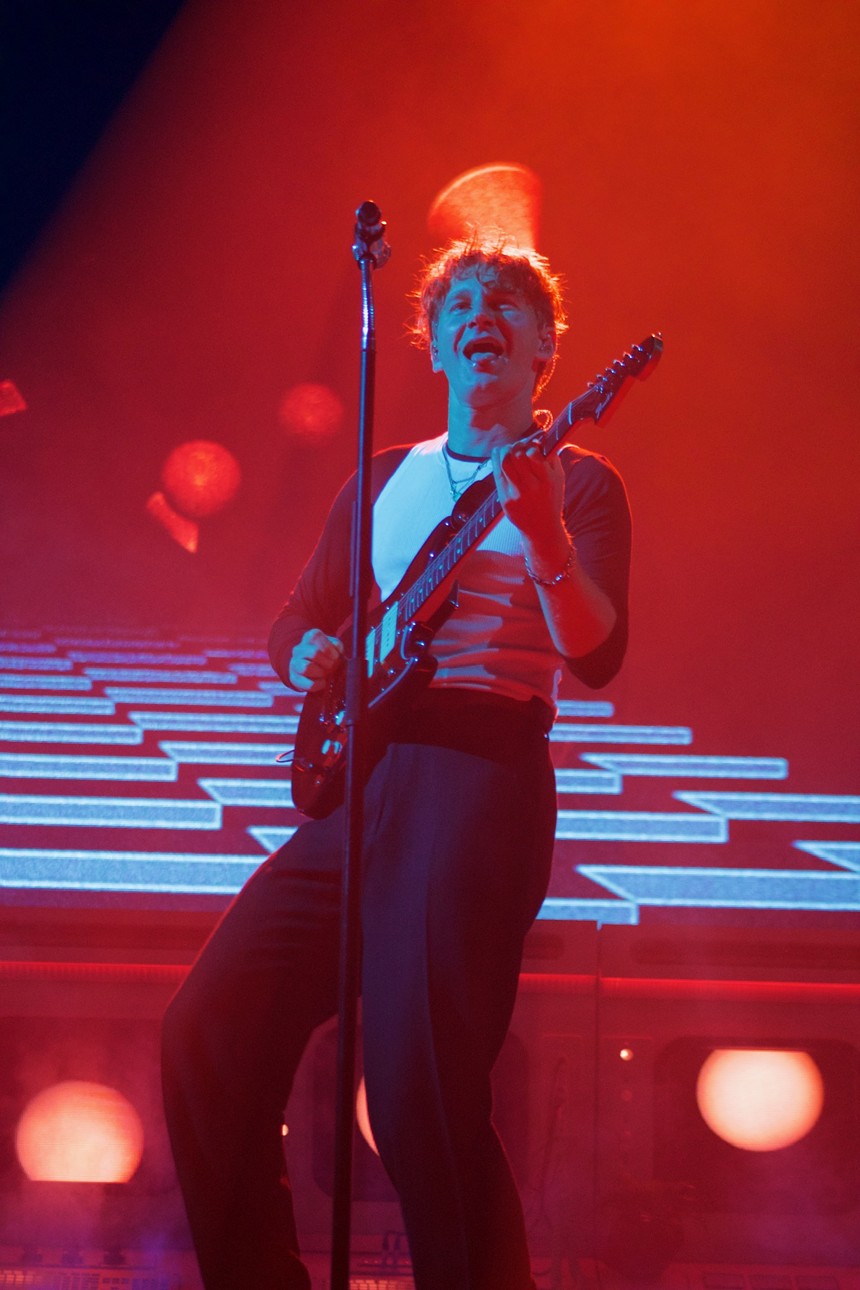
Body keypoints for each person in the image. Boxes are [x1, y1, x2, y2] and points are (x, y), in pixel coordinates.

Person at [161, 236, 631, 1290]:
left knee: (418, 1090)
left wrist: (545, 539)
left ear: (543, 347)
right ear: (435, 344)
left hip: (478, 778)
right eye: (462, 301)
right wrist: (310, 659)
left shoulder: (582, 484)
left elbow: (597, 653)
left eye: (508, 303)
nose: (483, 315)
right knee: (207, 1032)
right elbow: (293, 620)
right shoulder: (379, 479)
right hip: (362, 783)